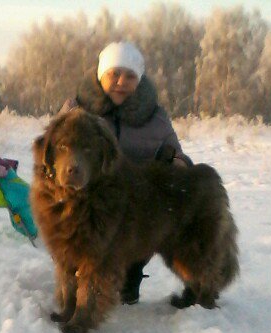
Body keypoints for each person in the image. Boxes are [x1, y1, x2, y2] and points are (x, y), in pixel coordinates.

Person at [60, 41, 192, 304]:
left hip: (133, 204)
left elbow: (175, 151)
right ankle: (77, 282)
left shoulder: (155, 117)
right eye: (114, 74)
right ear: (101, 75)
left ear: (139, 80)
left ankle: (130, 274)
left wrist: (178, 163)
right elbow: (55, 148)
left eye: (130, 76)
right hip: (85, 201)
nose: (121, 81)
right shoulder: (77, 110)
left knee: (144, 225)